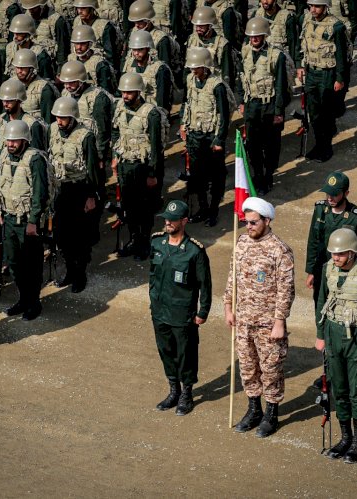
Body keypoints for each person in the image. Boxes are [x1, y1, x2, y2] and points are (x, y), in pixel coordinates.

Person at [224, 197, 294, 438]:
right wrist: (227, 306)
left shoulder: (280, 250)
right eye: (246, 222)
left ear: (267, 220)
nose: (249, 226)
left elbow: (286, 290)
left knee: (271, 369)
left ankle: (271, 414)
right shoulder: (241, 242)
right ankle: (253, 410)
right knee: (247, 367)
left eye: (254, 222)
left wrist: (279, 321)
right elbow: (232, 277)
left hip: (267, 324)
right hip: (243, 320)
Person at [315, 227, 357, 462]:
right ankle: (345, 437)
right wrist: (320, 334)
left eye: (341, 254)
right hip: (333, 335)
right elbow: (322, 302)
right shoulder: (327, 269)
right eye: (334, 253)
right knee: (339, 389)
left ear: (353, 252)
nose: (336, 258)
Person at [150, 200, 212, 416]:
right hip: (160, 311)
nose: (167, 222)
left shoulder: (194, 251)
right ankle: (173, 389)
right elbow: (152, 275)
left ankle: (187, 393)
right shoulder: (157, 244)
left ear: (184, 221)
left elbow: (205, 285)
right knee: (165, 350)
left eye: (172, 220)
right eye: (166, 218)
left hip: (183, 312)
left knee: (186, 353)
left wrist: (202, 312)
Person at [0, 119, 49, 320]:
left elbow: (40, 193)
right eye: (8, 140)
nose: (11, 144)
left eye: (15, 141)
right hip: (8, 219)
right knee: (14, 264)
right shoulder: (3, 156)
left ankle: (34, 302)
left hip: (27, 222)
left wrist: (33, 221)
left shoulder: (35, 159)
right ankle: (23, 298)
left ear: (25, 140)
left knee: (31, 264)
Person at [111, 72, 163, 261]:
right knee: (129, 207)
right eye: (123, 92)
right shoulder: (119, 108)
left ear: (138, 92)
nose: (125, 96)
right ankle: (134, 239)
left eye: (129, 93)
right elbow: (115, 132)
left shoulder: (151, 113)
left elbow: (157, 147)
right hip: (125, 165)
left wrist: (152, 173)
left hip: (143, 167)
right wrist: (115, 156)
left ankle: (145, 242)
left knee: (145, 209)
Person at [48, 96, 98, 293]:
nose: (59, 121)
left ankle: (80, 274)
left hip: (79, 189)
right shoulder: (52, 130)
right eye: (57, 117)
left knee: (80, 236)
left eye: (63, 118)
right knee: (62, 235)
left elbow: (93, 169)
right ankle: (69, 270)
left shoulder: (85, 136)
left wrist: (91, 196)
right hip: (59, 189)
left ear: (73, 118)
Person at [237, 16, 290, 192]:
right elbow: (240, 78)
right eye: (252, 36)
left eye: (258, 35)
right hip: (252, 105)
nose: (254, 39)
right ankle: (258, 175)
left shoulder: (276, 56)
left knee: (271, 145)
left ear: (265, 35)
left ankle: (268, 176)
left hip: (270, 106)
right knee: (252, 145)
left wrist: (279, 112)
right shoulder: (244, 52)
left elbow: (281, 85)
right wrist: (241, 101)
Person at [180, 47, 230, 228]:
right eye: (192, 67)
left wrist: (219, 140)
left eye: (197, 67)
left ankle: (214, 210)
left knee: (216, 176)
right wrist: (182, 123)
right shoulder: (190, 80)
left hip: (211, 137)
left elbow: (224, 115)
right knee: (197, 176)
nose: (194, 70)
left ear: (206, 66)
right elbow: (187, 102)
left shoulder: (217, 86)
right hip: (194, 135)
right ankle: (202, 208)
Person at [305, 171, 357, 308]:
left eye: (334, 194)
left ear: (346, 194)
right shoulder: (320, 209)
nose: (330, 198)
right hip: (322, 270)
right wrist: (311, 271)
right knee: (320, 306)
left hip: (345, 272)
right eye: (327, 193)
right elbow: (313, 241)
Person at [297, 0, 348, 162]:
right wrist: (300, 65)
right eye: (310, 6)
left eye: (317, 6)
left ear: (326, 7)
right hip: (312, 72)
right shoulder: (306, 21)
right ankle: (319, 144)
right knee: (314, 113)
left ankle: (326, 148)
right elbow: (301, 45)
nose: (313, 9)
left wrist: (340, 78)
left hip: (328, 74)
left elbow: (341, 54)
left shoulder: (336, 26)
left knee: (326, 113)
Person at [186, 6, 235, 89]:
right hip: (195, 85)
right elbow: (187, 67)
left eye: (201, 26)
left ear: (210, 26)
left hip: (214, 85)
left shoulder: (222, 44)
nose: (198, 29)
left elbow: (227, 72)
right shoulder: (192, 39)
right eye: (196, 26)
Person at [0, 77, 48, 152]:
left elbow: (37, 154)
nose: (5, 104)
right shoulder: (2, 119)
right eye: (3, 100)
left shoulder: (32, 124)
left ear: (18, 101)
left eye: (9, 101)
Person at [12, 48, 60, 125]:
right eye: (17, 67)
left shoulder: (44, 89)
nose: (19, 71)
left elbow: (48, 122)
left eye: (23, 68)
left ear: (32, 69)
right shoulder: (12, 84)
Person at [71, 0, 121, 71]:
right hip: (80, 64)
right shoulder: (77, 22)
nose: (79, 11)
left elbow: (110, 56)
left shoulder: (104, 27)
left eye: (83, 8)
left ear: (92, 9)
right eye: (78, 8)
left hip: (99, 68)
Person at [67, 24, 116, 94]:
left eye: (82, 44)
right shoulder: (71, 59)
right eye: (76, 43)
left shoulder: (99, 64)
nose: (78, 47)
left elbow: (106, 92)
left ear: (90, 44)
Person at [21, 0, 71, 70]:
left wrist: (60, 69)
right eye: (29, 9)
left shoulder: (57, 21)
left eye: (34, 8)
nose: (31, 11)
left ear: (42, 6)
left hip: (49, 64)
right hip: (29, 60)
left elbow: (62, 48)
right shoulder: (28, 16)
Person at [4, 13, 54, 80]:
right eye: (14, 33)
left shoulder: (40, 55)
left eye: (19, 34)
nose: (15, 37)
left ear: (28, 35)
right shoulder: (10, 48)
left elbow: (46, 81)